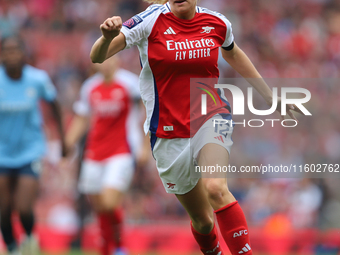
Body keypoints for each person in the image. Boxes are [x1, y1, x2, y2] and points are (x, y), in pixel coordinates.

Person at [90, 0, 301, 254]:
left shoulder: (217, 22)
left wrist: (269, 97)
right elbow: (97, 56)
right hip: (168, 134)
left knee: (216, 188)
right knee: (203, 221)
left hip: (211, 116)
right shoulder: (149, 20)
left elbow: (232, 51)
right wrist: (105, 38)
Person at [65, 56, 146, 255]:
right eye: (100, 60)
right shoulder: (89, 88)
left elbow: (149, 109)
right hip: (94, 153)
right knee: (100, 206)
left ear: (117, 60)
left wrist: (145, 145)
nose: (105, 64)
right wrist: (67, 144)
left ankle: (119, 246)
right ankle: (107, 249)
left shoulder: (130, 84)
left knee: (110, 201)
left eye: (109, 59)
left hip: (122, 151)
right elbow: (82, 118)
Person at [0, 36, 65, 255]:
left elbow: (54, 104)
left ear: (23, 54)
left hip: (30, 151)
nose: (11, 55)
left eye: (15, 50)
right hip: (2, 152)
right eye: (6, 51)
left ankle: (29, 237)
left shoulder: (37, 79)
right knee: (3, 208)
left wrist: (63, 139)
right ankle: (11, 248)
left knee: (24, 207)